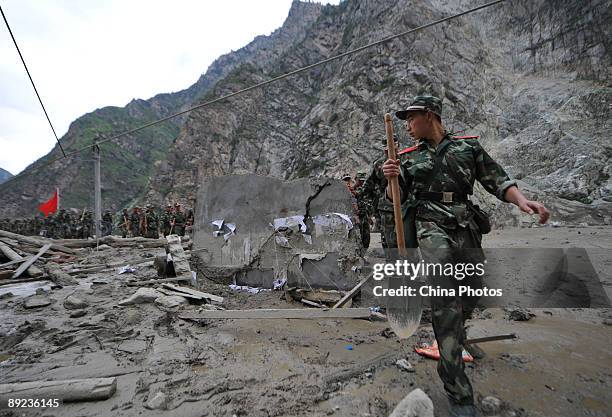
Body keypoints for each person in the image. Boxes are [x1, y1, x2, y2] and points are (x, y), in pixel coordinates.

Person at [382, 95, 550, 417]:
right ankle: (459, 393)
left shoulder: (467, 148)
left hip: (464, 223)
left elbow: (497, 179)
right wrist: (391, 179)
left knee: (472, 288)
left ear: (430, 115)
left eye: (412, 117)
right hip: (430, 224)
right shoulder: (406, 157)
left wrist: (523, 202)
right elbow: (397, 196)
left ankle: (455, 334)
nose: (407, 125)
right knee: (444, 289)